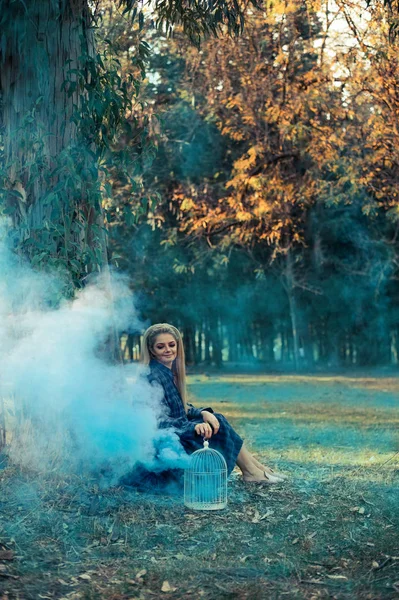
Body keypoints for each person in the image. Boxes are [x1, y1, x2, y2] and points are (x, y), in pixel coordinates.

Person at [141, 323, 288, 484]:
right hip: (169, 445)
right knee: (219, 427)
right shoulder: (153, 376)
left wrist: (203, 413)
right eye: (161, 347)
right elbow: (157, 420)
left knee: (216, 418)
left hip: (178, 432)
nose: (168, 350)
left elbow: (179, 407)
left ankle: (255, 468)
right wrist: (193, 427)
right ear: (152, 351)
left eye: (172, 345)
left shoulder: (167, 373)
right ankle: (251, 472)